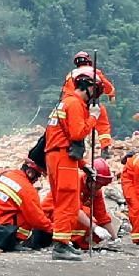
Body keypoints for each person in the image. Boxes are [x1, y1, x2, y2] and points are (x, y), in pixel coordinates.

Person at [45, 66, 103, 261]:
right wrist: (94, 117)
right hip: (63, 159)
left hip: (56, 157)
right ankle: (60, 246)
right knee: (67, 201)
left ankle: (63, 242)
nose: (93, 98)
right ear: (88, 87)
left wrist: (83, 164)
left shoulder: (63, 103)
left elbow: (65, 139)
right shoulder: (75, 104)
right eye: (94, 92)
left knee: (63, 200)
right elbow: (77, 134)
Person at [0, 159, 51, 252]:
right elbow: (37, 219)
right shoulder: (27, 189)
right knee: (27, 212)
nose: (37, 180)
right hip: (4, 232)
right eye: (37, 176)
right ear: (30, 173)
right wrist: (52, 229)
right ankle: (14, 242)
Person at [42, 157, 118, 249]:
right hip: (49, 217)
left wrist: (115, 239)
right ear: (89, 179)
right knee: (87, 216)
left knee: (94, 225)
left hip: (64, 217)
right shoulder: (74, 182)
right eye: (98, 184)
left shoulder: (95, 191)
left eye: (101, 185)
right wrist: (95, 227)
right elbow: (75, 210)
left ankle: (76, 243)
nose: (99, 187)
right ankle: (67, 243)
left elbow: (102, 216)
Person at [61, 51, 117, 157]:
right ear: (88, 61)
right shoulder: (95, 71)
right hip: (92, 103)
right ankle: (105, 148)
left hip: (75, 105)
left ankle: (75, 148)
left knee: (75, 127)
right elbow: (107, 86)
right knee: (103, 124)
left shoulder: (70, 75)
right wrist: (111, 95)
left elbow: (66, 93)